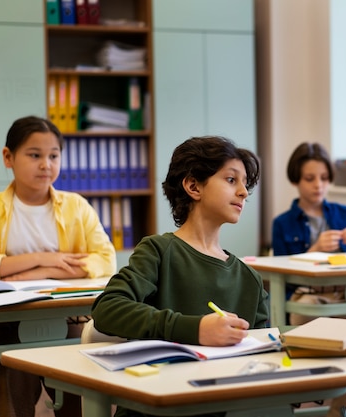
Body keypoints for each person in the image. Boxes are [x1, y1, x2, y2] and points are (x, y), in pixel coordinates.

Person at [91, 136, 268, 417]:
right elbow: (107, 308)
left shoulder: (250, 279)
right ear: (193, 186)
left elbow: (264, 353)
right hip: (158, 407)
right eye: (231, 180)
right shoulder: (159, 251)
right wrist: (195, 330)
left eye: (245, 183)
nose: (244, 192)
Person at [0, 115, 117, 417]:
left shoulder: (76, 206)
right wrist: (43, 258)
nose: (46, 164)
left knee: (76, 363)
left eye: (54, 156)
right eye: (34, 155)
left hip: (65, 313)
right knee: (11, 366)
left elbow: (105, 260)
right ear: (8, 157)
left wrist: (36, 272)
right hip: (4, 318)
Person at [271, 142, 346, 324]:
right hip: (306, 293)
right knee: (306, 310)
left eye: (324, 178)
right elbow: (282, 277)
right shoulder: (282, 223)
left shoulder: (345, 213)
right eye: (309, 178)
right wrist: (315, 250)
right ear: (295, 180)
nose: (318, 185)